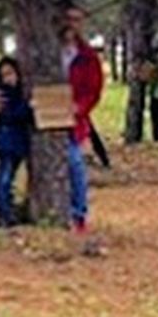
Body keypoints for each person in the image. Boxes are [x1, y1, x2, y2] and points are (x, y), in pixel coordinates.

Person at [61, 13, 103, 234]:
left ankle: (78, 214)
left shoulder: (87, 56)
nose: (70, 24)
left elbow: (94, 91)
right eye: (67, 19)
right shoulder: (43, 52)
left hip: (73, 121)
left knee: (75, 163)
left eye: (76, 20)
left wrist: (80, 108)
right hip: (43, 117)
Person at [0, 56, 33, 228]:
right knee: (4, 178)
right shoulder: (3, 95)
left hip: (15, 142)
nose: (8, 79)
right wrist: (29, 108)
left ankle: (6, 211)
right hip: (8, 142)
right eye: (4, 75)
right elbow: (11, 116)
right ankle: (3, 213)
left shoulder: (16, 92)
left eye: (11, 74)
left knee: (7, 178)